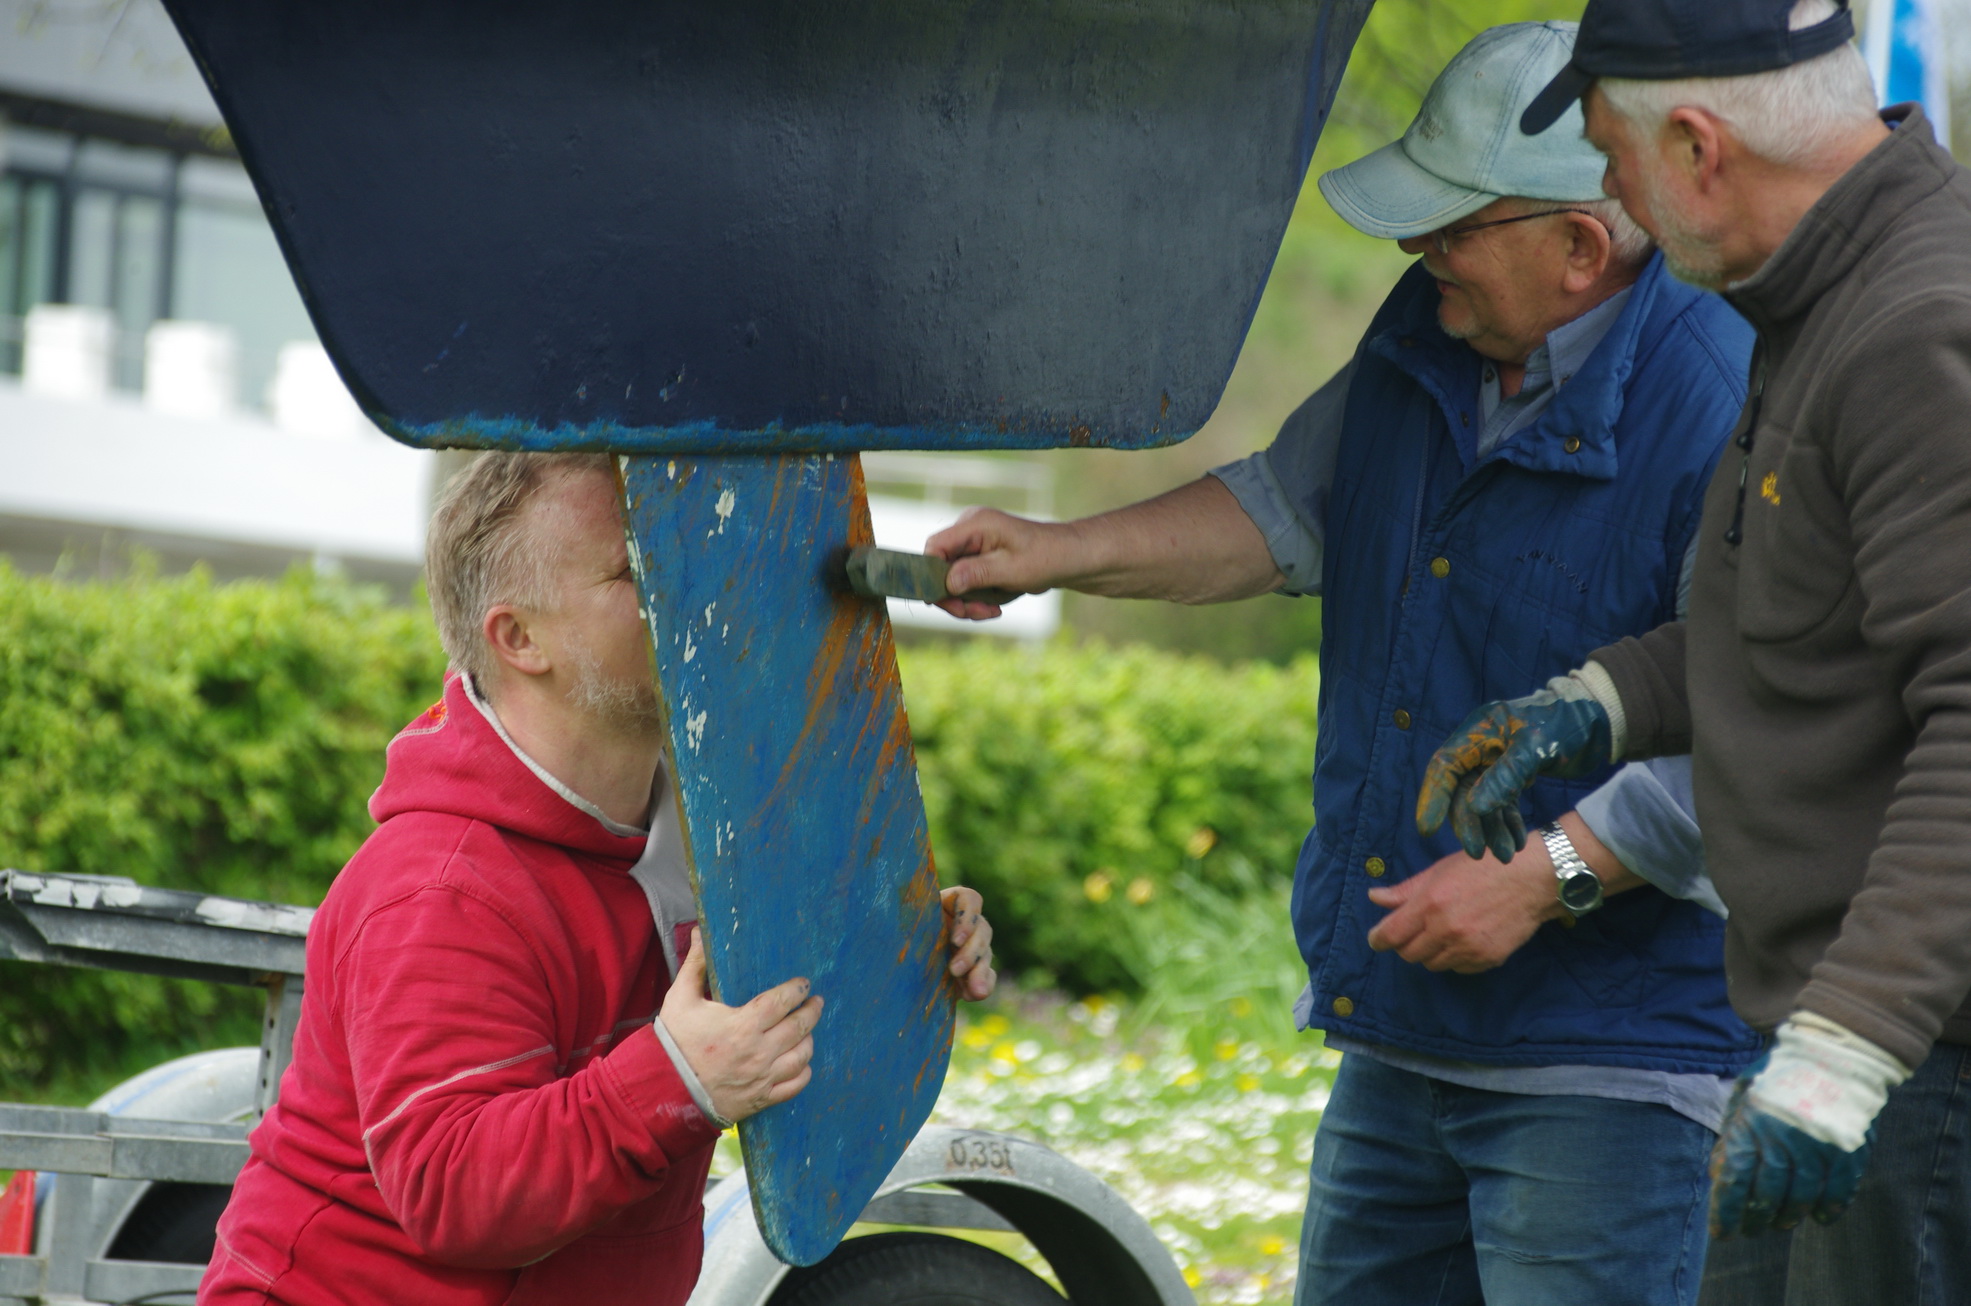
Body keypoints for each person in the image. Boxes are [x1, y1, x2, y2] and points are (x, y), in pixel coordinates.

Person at [927, 22, 1757, 1306]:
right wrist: (1055, 550)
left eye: (1451, 229)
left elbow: (1760, 735)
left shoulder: (1726, 401)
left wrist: (1542, 881)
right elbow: (1284, 512)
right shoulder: (1433, 332)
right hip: (1401, 1038)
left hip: (1611, 1072)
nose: (1418, 257)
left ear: (1580, 247)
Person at [1420, 0, 1971, 1300]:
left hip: (1911, 1067)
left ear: (1694, 145)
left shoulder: (1913, 322)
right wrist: (1593, 704)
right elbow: (1790, 624)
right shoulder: (1811, 298)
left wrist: (1844, 1056)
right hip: (1835, 1042)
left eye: (1609, 155)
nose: (1605, 191)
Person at [198, 451, 999, 1306]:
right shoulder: (440, 888)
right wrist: (674, 1080)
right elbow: (452, 1188)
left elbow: (762, 1042)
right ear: (520, 639)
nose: (688, 583)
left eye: (675, 543)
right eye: (636, 566)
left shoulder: (693, 837)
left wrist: (899, 949)